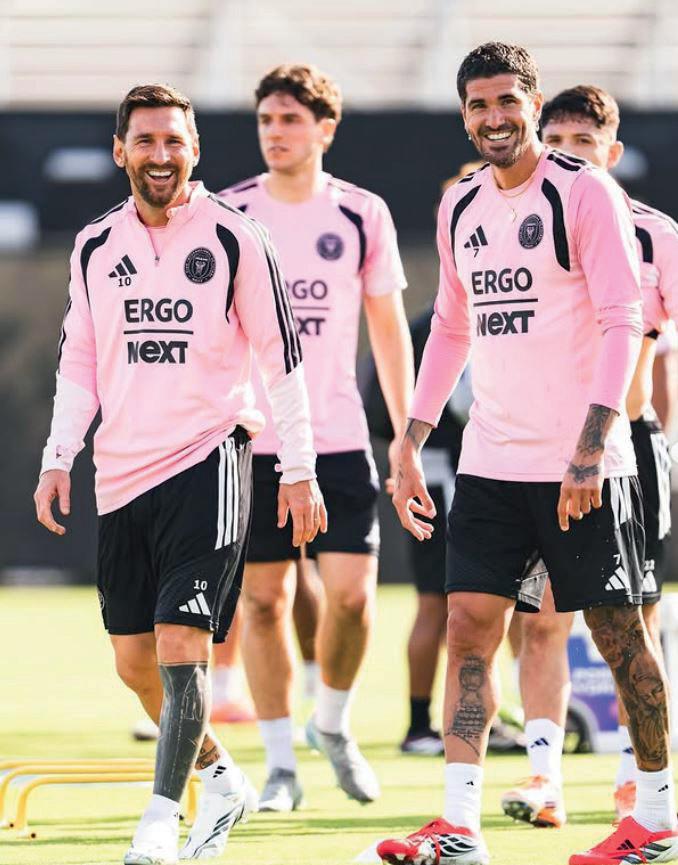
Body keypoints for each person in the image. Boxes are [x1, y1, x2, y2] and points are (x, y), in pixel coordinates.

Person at [379, 42, 678, 865]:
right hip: (490, 463)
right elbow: (451, 326)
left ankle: (655, 820)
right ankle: (460, 825)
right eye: (478, 104)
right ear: (464, 115)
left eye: (508, 100)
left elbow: (623, 320)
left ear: (534, 106)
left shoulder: (585, 192)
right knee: (469, 629)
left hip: (585, 467)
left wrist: (591, 448)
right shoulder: (460, 205)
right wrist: (413, 436)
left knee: (620, 635)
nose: (494, 117)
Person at [33, 83, 326, 865]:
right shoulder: (96, 244)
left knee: (180, 640)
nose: (160, 154)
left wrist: (298, 467)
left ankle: (161, 819)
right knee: (135, 663)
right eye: (146, 140)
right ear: (120, 151)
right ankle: (222, 780)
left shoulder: (237, 236)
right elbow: (79, 359)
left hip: (210, 457)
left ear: (194, 150)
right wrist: (59, 455)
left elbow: (283, 359)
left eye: (174, 141)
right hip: (121, 476)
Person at [220, 63, 413, 812]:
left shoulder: (362, 213)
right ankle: (280, 767)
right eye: (266, 120)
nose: (276, 133)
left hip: (337, 438)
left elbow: (389, 332)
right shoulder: (232, 212)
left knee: (353, 601)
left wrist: (405, 432)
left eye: (291, 120)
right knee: (263, 602)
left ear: (325, 129)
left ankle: (330, 722)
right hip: (256, 445)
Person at [501, 84, 678, 829]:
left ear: (612, 153)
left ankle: (637, 777)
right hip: (543, 448)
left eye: (584, 143)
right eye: (557, 141)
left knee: (634, 622)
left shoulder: (656, 236)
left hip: (628, 451)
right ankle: (544, 777)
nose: (569, 156)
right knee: (541, 617)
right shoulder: (519, 222)